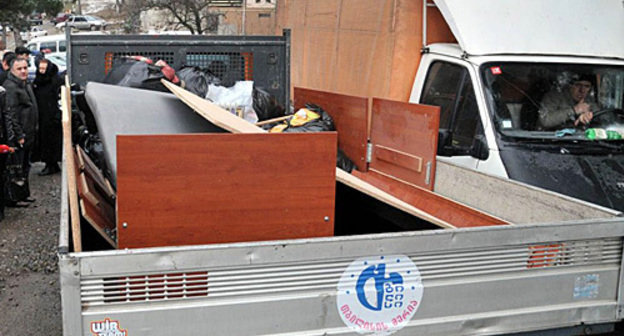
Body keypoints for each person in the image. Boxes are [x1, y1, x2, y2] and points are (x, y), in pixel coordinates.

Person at [3, 57, 37, 203]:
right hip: (20, 135)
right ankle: (15, 197)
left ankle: (23, 194)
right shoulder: (10, 87)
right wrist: (18, 135)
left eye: (25, 68)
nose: (23, 71)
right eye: (19, 69)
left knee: (25, 166)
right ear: (12, 70)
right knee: (16, 167)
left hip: (29, 132)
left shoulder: (25, 84)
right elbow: (10, 113)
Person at [33, 58, 62, 175]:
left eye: (43, 69)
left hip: (52, 116)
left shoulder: (55, 81)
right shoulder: (38, 80)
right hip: (42, 115)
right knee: (45, 141)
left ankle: (51, 164)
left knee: (50, 141)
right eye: (40, 68)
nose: (41, 71)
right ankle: (50, 164)